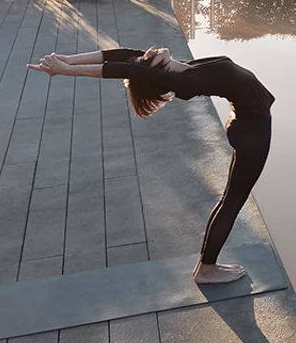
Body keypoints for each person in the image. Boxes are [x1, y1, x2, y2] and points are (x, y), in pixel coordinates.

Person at [27, 47, 274, 285]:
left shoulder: (175, 69)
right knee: (232, 202)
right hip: (253, 132)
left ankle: (206, 265)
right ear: (156, 73)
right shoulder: (185, 81)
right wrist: (64, 71)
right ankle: (207, 269)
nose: (150, 51)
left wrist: (67, 60)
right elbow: (122, 69)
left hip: (247, 125)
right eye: (147, 60)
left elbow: (121, 55)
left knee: (229, 200)